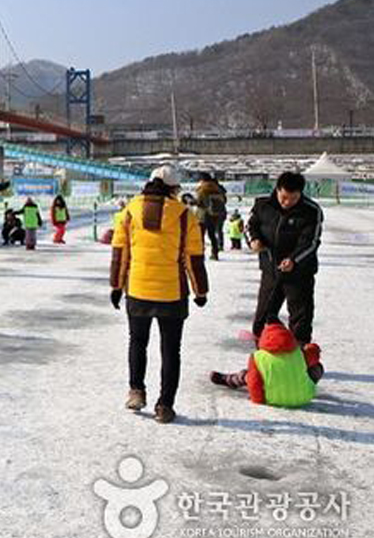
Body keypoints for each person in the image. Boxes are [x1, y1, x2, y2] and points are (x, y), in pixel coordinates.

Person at [110, 165, 209, 424]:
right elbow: (193, 257)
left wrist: (116, 286)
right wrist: (200, 290)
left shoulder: (129, 212)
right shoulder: (184, 216)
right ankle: (165, 406)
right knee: (170, 350)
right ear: (174, 189)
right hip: (172, 293)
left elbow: (121, 253)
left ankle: (136, 391)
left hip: (138, 289)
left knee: (137, 341)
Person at [246, 171, 324, 346]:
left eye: (293, 198)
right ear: (277, 190)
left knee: (300, 318)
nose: (287, 202)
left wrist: (293, 260)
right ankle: (264, 356)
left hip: (299, 273)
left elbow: (311, 242)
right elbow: (250, 226)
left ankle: (300, 357)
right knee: (263, 316)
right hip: (271, 270)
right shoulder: (263, 205)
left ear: (300, 194)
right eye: (283, 197)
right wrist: (254, 240)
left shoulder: (311, 211)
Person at [209, 320, 322, 407]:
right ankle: (299, 387)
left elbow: (254, 382)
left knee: (247, 375)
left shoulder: (257, 357)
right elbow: (314, 356)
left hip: (272, 398)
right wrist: (313, 348)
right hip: (304, 398)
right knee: (316, 368)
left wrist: (259, 401)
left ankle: (229, 380)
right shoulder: (298, 352)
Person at [195, 173, 229, 260]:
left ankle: (201, 253)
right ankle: (215, 253)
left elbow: (199, 202)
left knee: (200, 236)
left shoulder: (202, 189)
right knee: (212, 234)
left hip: (203, 216)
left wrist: (192, 201)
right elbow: (224, 201)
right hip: (215, 215)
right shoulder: (218, 189)